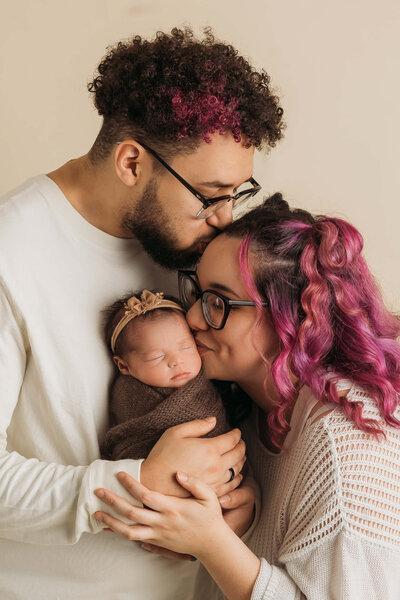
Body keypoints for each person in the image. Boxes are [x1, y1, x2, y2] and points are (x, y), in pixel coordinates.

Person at [0, 27, 284, 599]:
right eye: (210, 196)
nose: (226, 220)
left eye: (237, 193)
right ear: (132, 162)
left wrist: (241, 492)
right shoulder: (12, 254)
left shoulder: (195, 250)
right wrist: (134, 485)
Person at [93, 194, 400, 600]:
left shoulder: (343, 445)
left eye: (218, 302)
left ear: (292, 319)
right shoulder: (244, 402)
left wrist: (211, 541)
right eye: (197, 292)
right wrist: (247, 503)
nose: (192, 318)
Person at [101, 288, 230, 462]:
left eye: (186, 347)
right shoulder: (128, 396)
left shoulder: (214, 381)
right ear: (124, 366)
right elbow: (130, 442)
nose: (177, 361)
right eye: (157, 357)